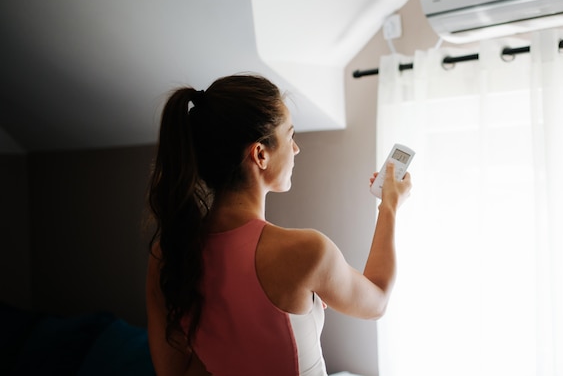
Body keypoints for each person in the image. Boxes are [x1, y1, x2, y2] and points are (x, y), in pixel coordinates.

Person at [145, 74, 412, 376]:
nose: (296, 149)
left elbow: (176, 372)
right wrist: (389, 205)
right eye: (290, 136)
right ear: (260, 154)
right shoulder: (306, 251)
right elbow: (376, 301)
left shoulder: (167, 255)